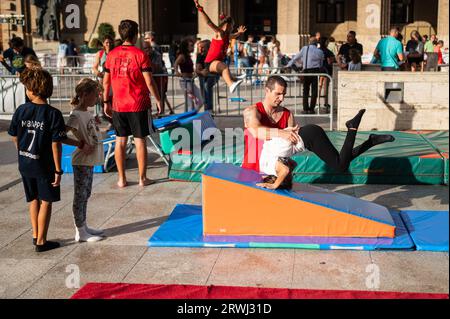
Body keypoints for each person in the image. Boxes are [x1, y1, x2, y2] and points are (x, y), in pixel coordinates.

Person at [242, 76, 396, 190]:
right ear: (266, 90)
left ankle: (361, 134)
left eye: (284, 94)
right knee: (340, 164)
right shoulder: (252, 111)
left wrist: (284, 173)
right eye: (277, 94)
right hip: (253, 166)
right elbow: (256, 132)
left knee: (339, 165)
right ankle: (370, 141)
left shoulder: (287, 114)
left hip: (276, 164)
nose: (281, 98)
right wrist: (282, 133)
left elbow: (292, 145)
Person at [8, 68, 89, 252]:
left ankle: (36, 235)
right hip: (44, 166)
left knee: (33, 200)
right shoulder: (53, 114)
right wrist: (58, 170)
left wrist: (21, 153)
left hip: (25, 163)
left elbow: (14, 136)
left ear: (31, 90)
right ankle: (42, 242)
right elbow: (56, 144)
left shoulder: (21, 110)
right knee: (46, 201)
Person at [103, 19, 162, 188]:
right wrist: (158, 100)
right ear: (135, 35)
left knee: (120, 141)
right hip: (138, 104)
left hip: (118, 104)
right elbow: (149, 82)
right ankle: (142, 179)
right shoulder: (140, 55)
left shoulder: (111, 54)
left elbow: (106, 82)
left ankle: (122, 179)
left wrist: (106, 101)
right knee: (140, 140)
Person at [66, 79, 105, 242]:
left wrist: (96, 124)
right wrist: (80, 144)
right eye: (95, 95)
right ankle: (80, 232)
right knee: (80, 195)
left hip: (88, 160)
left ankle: (83, 226)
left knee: (86, 193)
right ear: (84, 95)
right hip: (81, 160)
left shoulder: (86, 113)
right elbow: (61, 134)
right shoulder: (75, 114)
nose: (97, 98)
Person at [194, 0, 247, 94]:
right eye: (232, 26)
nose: (232, 28)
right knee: (224, 67)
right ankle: (231, 85)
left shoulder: (227, 36)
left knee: (223, 68)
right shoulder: (220, 33)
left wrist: (239, 33)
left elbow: (234, 36)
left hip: (216, 61)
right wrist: (200, 9)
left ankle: (234, 78)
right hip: (210, 63)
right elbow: (209, 22)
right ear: (226, 25)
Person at [287, 36, 324, 114]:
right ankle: (311, 109)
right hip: (316, 71)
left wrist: (288, 64)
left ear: (309, 42)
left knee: (306, 90)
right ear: (316, 43)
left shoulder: (305, 49)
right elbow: (321, 64)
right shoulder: (320, 51)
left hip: (307, 71)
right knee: (314, 91)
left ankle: (305, 108)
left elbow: (295, 58)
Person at [143, 41, 175, 115]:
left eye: (149, 48)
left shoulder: (156, 54)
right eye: (145, 48)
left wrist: (146, 62)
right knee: (146, 96)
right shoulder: (142, 55)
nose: (147, 50)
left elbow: (156, 68)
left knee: (161, 96)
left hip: (160, 77)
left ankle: (160, 113)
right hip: (150, 77)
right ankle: (149, 113)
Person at [174, 38, 204, 111]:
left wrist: (194, 73)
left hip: (190, 81)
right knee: (190, 103)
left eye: (193, 45)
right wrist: (177, 71)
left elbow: (189, 67)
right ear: (186, 47)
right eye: (191, 46)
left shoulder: (188, 56)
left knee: (200, 101)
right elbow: (175, 63)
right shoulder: (182, 56)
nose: (193, 47)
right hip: (185, 82)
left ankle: (192, 115)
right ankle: (190, 118)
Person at [92, 35, 115, 123]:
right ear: (103, 44)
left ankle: (113, 122)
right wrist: (97, 73)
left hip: (113, 80)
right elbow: (94, 67)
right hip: (102, 80)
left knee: (112, 100)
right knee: (102, 100)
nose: (108, 44)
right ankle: (104, 117)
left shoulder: (114, 52)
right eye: (106, 42)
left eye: (110, 42)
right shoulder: (100, 54)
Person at [196, 40, 219, 112]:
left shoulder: (214, 55)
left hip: (213, 75)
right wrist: (201, 71)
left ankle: (209, 109)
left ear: (209, 48)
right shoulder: (200, 55)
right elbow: (197, 69)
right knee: (204, 91)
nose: (200, 49)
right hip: (203, 76)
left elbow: (217, 67)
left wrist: (207, 71)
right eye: (199, 47)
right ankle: (207, 108)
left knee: (207, 86)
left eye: (202, 47)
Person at [318, 37, 335, 112]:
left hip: (318, 70)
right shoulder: (328, 51)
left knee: (319, 86)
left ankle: (317, 102)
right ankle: (325, 103)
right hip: (326, 70)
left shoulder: (317, 50)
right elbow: (331, 61)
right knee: (326, 88)